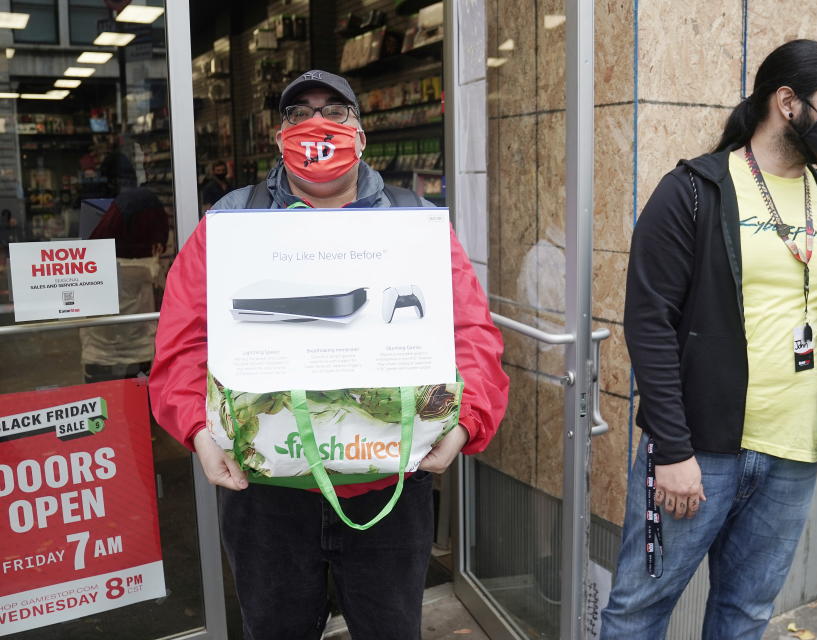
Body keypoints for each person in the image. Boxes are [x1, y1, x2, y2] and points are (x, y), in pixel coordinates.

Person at [149, 69, 509, 640]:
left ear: (361, 135)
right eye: (300, 113)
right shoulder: (230, 224)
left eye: (335, 112)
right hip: (266, 495)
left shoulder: (413, 222)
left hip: (387, 490)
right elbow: (182, 344)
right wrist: (196, 429)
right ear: (278, 135)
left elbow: (471, 333)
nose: (318, 124)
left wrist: (466, 422)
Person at [601, 40, 817, 639]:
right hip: (698, 455)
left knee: (745, 615)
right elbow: (649, 325)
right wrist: (673, 450)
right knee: (637, 611)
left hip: (791, 458)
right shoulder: (692, 191)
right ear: (788, 103)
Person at [81, 187, 169, 383]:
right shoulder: (151, 268)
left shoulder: (92, 261)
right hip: (142, 356)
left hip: (97, 356)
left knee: (103, 411)